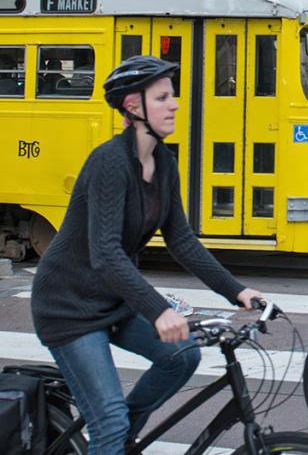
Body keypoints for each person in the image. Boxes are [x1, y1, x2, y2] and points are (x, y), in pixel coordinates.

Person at [31, 56, 263, 453]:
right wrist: (158, 309)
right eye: (162, 97)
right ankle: (112, 434)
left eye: (172, 96)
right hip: (68, 308)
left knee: (182, 355)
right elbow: (104, 253)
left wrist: (237, 291)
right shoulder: (108, 162)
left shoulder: (163, 162)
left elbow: (182, 240)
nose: (174, 104)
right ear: (133, 107)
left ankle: (119, 439)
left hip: (111, 302)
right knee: (107, 420)